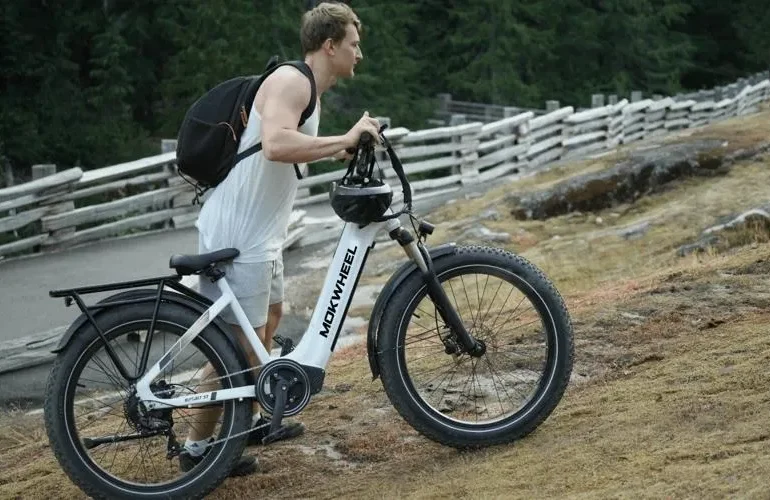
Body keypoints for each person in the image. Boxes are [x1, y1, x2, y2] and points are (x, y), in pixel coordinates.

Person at [179, 2, 380, 476]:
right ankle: (196, 450)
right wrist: (344, 139)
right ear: (329, 45)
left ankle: (247, 424)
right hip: (238, 233)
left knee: (265, 327)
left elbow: (292, 147)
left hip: (261, 235)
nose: (359, 54)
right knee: (234, 351)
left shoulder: (310, 91)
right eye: (353, 44)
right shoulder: (292, 81)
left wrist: (343, 147)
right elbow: (275, 144)